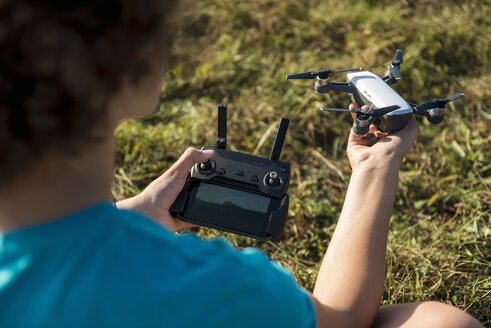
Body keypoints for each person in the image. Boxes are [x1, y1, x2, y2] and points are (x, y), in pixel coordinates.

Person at [0, 1, 483, 327]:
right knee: (444, 323)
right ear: (129, 68)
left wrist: (133, 213)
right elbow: (342, 316)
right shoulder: (205, 283)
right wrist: (376, 166)